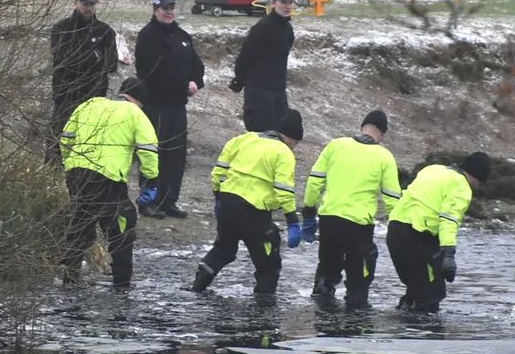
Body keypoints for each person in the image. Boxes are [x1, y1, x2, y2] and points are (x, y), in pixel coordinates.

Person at [191, 110, 305, 295]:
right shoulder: (283, 152)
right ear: (291, 139)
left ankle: (196, 287)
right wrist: (292, 220)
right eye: (296, 144)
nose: (294, 148)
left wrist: (218, 196)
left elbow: (219, 171)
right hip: (254, 213)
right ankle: (263, 310)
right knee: (268, 262)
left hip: (227, 204)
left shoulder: (243, 139)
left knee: (223, 250)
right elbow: (284, 190)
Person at [59, 77, 159, 286]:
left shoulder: (89, 104)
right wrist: (151, 178)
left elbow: (66, 138)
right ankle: (121, 284)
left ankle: (69, 277)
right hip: (107, 178)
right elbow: (148, 149)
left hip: (76, 173)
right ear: (138, 100)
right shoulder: (134, 113)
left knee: (80, 222)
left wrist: (69, 163)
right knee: (122, 224)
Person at [302, 109, 401, 309]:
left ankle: (322, 320)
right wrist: (398, 224)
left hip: (329, 219)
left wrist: (309, 212)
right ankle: (355, 325)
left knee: (327, 270)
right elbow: (392, 198)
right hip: (359, 226)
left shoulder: (336, 145)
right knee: (359, 280)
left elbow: (314, 182)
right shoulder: (384, 156)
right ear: (381, 134)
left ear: (362, 126)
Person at [386, 152, 491, 313]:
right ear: (478, 177)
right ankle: (426, 334)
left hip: (394, 231)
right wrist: (449, 254)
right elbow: (449, 219)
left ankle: (403, 327)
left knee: (416, 288)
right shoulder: (461, 186)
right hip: (416, 236)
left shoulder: (432, 170)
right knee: (431, 295)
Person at [134, 0, 205, 219]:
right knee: (153, 154)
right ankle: (148, 201)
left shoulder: (181, 35)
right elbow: (152, 72)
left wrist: (195, 81)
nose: (169, 11)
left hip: (177, 106)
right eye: (165, 8)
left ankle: (169, 200)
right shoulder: (148, 36)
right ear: (155, 9)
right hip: (156, 104)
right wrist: (183, 85)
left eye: (172, 7)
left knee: (176, 157)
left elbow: (197, 64)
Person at [47, 0, 121, 164]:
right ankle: (51, 178)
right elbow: (63, 60)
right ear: (76, 3)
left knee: (89, 143)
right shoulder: (61, 29)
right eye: (85, 4)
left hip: (94, 98)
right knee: (57, 139)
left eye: (92, 4)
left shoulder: (105, 31)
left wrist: (91, 60)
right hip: (66, 96)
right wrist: (93, 57)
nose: (89, 8)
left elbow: (111, 64)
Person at [228, 0, 296, 132]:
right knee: (260, 134)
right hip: (259, 90)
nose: (288, 6)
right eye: (284, 2)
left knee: (279, 133)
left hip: (278, 90)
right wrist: (239, 80)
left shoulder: (287, 28)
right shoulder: (263, 27)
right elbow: (245, 56)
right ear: (273, 3)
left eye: (290, 2)